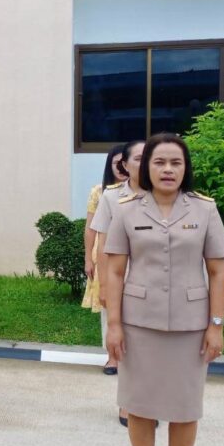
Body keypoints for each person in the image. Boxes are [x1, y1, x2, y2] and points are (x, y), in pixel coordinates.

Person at [104, 133, 224, 446]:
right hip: (138, 324)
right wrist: (114, 325)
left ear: (185, 168)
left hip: (191, 328)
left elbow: (218, 271)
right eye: (159, 162)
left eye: (176, 162)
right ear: (144, 167)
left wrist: (216, 325)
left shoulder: (205, 209)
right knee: (140, 406)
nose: (168, 169)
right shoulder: (125, 209)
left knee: (185, 408)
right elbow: (114, 270)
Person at [91, 139, 145, 426]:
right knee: (125, 343)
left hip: (153, 283)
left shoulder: (167, 195)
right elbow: (102, 245)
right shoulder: (111, 197)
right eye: (138, 158)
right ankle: (127, 404)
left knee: (150, 347)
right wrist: (104, 285)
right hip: (121, 278)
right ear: (125, 164)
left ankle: (148, 402)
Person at [82, 144, 127, 369]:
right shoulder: (100, 192)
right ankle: (112, 357)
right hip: (105, 255)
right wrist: (88, 259)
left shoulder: (144, 192)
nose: (121, 167)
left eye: (124, 162)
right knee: (109, 304)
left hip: (132, 256)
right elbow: (90, 228)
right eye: (116, 163)